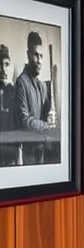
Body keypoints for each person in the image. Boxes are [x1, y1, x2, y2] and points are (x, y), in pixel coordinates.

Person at [14, 30, 57, 164]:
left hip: (43, 149)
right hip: (29, 152)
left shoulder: (42, 86)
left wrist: (51, 116)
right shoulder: (21, 83)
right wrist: (47, 125)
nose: (39, 61)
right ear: (28, 54)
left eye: (41, 56)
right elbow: (24, 121)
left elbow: (47, 117)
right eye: (36, 55)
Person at [0, 42, 18, 166]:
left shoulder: (13, 91)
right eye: (0, 65)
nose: (3, 69)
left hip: (11, 150)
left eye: (6, 64)